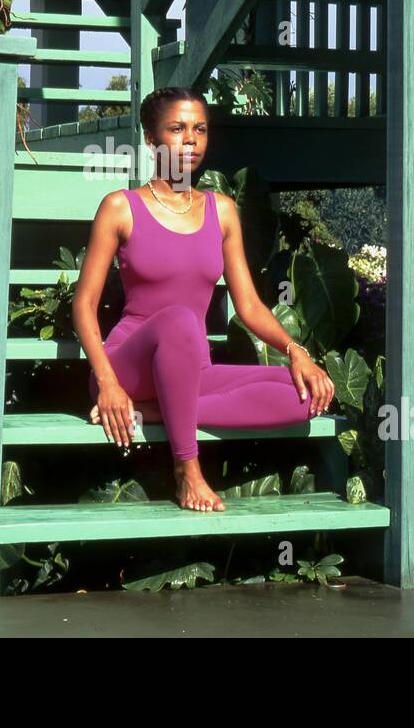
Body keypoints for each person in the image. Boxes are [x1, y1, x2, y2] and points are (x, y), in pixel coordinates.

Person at [71, 86, 337, 513]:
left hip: (191, 370)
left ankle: (158, 412)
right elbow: (83, 305)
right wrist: (107, 383)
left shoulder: (223, 210)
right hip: (129, 365)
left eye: (200, 129)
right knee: (178, 318)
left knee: (306, 394)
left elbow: (248, 305)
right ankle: (187, 471)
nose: (190, 139)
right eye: (177, 128)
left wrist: (296, 352)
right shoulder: (121, 208)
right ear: (151, 138)